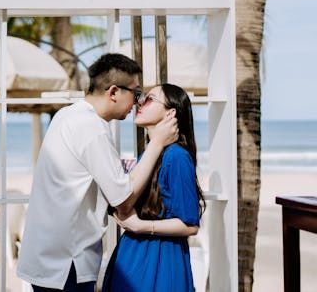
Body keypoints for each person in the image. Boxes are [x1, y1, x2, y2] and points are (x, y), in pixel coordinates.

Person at [17, 53, 179, 292]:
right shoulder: (92, 128)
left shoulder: (67, 115)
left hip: (47, 254)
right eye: (135, 93)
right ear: (113, 92)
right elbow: (123, 201)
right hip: (65, 261)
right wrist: (157, 144)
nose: (137, 102)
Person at [102, 83, 206, 292]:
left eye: (149, 99)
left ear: (171, 112)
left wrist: (141, 226)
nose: (139, 102)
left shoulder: (176, 157)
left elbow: (190, 224)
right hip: (132, 255)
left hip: (160, 260)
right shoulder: (149, 155)